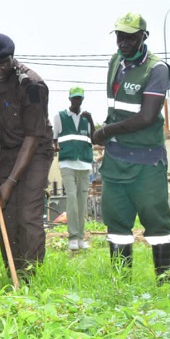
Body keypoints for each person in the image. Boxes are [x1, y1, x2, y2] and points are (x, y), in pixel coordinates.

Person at [92, 12, 170, 284]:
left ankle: (164, 282)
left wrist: (105, 132)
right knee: (116, 223)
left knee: (157, 223)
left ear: (144, 37)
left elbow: (147, 117)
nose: (124, 42)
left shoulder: (157, 69)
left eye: (131, 36)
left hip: (146, 162)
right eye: (120, 36)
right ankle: (120, 284)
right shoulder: (116, 62)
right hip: (116, 160)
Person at [0, 33, 54, 281]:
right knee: (4, 211)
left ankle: (32, 277)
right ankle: (14, 272)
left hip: (36, 150)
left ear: (12, 58)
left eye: (3, 64)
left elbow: (31, 139)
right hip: (7, 149)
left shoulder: (32, 86)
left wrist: (10, 182)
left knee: (27, 214)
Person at [53, 87, 95, 251]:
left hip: (84, 163)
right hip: (67, 162)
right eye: (75, 98)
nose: (78, 101)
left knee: (81, 202)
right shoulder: (60, 116)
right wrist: (54, 148)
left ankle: (80, 238)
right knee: (71, 198)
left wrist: (91, 120)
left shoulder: (87, 118)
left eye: (80, 98)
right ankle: (72, 237)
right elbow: (54, 139)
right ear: (69, 99)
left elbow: (95, 138)